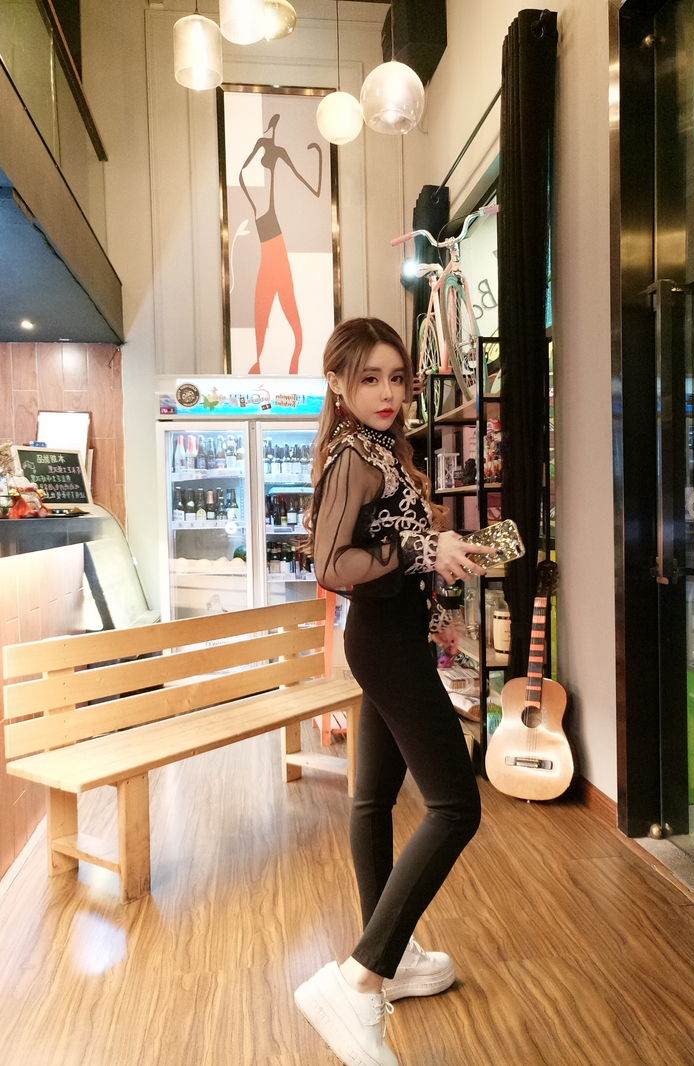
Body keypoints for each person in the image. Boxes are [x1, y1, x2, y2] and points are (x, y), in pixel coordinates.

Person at [294, 318, 495, 1066]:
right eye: (369, 378)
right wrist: (422, 547)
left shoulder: (385, 449)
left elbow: (397, 559)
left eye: (397, 378)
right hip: (382, 645)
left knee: (373, 799)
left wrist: (437, 596)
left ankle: (389, 950)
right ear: (338, 385)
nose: (387, 392)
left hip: (397, 637)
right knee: (455, 806)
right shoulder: (353, 455)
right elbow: (331, 564)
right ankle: (362, 977)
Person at [237, 113, 323, 375]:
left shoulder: (275, 156)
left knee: (288, 317)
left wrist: (316, 156)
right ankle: (268, 366)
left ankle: (291, 366)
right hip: (271, 257)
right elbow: (244, 174)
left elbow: (308, 184)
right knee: (267, 316)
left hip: (276, 255)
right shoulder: (263, 155)